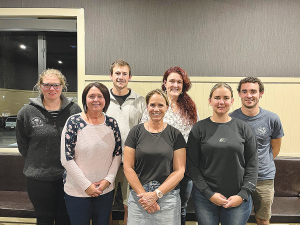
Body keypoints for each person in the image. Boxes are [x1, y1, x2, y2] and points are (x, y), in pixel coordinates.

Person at [16, 69, 81, 225]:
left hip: (68, 177)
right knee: (44, 219)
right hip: (38, 178)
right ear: (40, 86)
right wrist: (39, 159)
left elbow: (80, 142)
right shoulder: (27, 112)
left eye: (56, 85)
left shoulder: (74, 110)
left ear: (62, 86)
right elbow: (23, 144)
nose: (52, 89)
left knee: (64, 220)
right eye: (47, 85)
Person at [187, 83, 258, 225]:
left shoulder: (243, 128)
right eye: (217, 97)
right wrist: (209, 194)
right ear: (210, 101)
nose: (221, 102)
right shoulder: (199, 128)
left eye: (226, 98)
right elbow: (192, 166)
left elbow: (252, 164)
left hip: (237, 197)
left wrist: (243, 195)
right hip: (205, 197)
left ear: (232, 101)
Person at [140, 66, 198, 224]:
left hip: (183, 168)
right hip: (158, 168)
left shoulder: (190, 109)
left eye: (179, 82)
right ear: (164, 83)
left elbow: (193, 138)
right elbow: (144, 135)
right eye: (171, 81)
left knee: (181, 207)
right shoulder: (155, 105)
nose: (175, 85)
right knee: (157, 206)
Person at [61, 82, 122, 225]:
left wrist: (107, 181)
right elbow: (66, 159)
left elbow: (117, 154)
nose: (96, 100)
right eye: (91, 96)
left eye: (100, 96)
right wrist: (86, 185)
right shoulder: (73, 122)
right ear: (85, 99)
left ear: (105, 100)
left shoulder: (112, 123)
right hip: (77, 192)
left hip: (104, 191)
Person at [124, 89, 186, 225]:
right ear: (147, 107)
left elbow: (179, 170)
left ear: (167, 108)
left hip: (167, 196)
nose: (156, 109)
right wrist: (145, 197)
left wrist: (156, 194)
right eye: (152, 105)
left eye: (160, 105)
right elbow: (128, 167)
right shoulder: (135, 132)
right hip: (139, 197)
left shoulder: (176, 135)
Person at [230, 77, 284, 225]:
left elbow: (275, 149)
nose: (249, 95)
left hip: (264, 178)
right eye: (244, 91)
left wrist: (258, 163)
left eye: (253, 91)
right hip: (237, 179)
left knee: (263, 219)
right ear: (239, 94)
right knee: (236, 219)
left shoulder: (272, 119)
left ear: (261, 93)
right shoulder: (230, 119)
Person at [105, 59, 146, 225]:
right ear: (111, 76)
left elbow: (145, 132)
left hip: (132, 163)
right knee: (105, 205)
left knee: (130, 205)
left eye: (124, 74)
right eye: (117, 73)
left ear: (130, 76)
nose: (120, 77)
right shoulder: (102, 99)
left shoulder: (140, 101)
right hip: (106, 163)